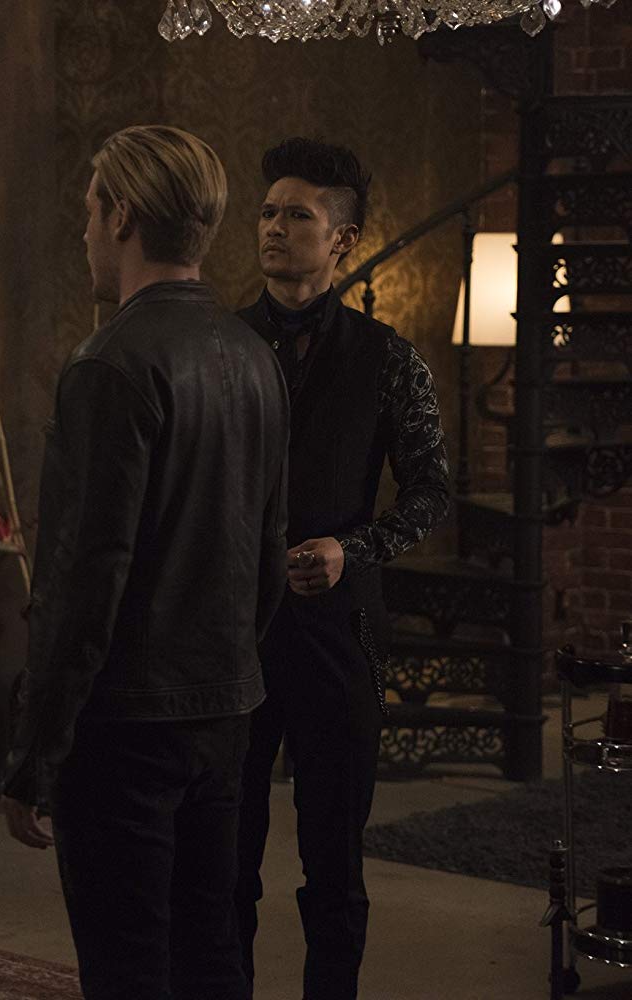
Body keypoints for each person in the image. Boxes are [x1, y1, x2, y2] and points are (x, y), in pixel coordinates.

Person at [1, 124, 290, 1000]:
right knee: (212, 957)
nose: (84, 230)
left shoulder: (110, 365)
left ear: (122, 216)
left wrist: (35, 754)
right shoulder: (254, 357)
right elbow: (267, 555)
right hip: (224, 712)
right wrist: (230, 672)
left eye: (91, 210)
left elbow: (82, 585)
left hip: (126, 727)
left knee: (128, 969)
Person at [234, 137, 449, 1000]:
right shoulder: (219, 345)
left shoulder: (389, 358)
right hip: (233, 636)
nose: (274, 228)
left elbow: (431, 492)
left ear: (344, 240)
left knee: (334, 867)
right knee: (223, 863)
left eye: (297, 215)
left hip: (338, 634)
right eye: (267, 212)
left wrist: (350, 548)